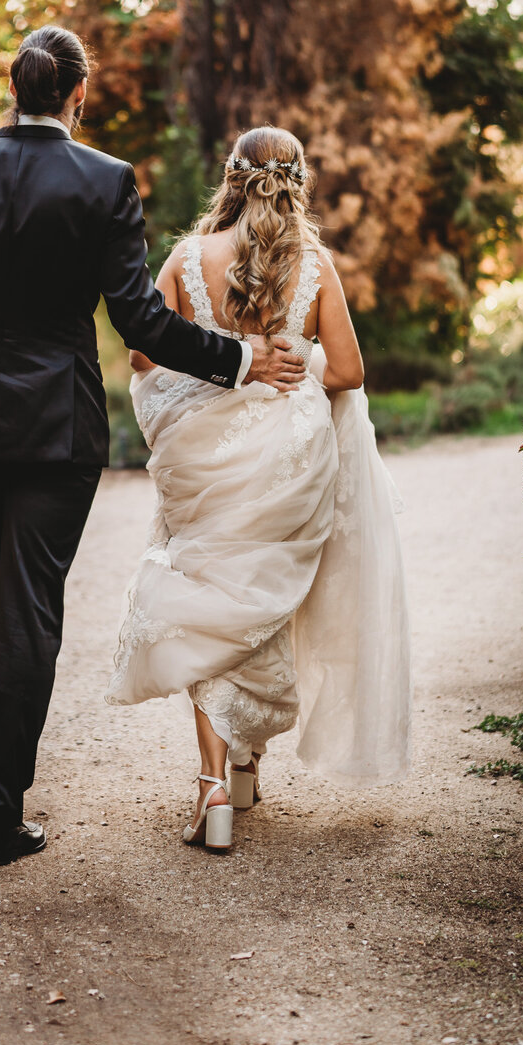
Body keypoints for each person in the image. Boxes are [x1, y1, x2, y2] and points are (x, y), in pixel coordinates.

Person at [0, 29, 308, 867]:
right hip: (55, 429)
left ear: (13, 89)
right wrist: (243, 357)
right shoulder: (105, 180)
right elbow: (141, 320)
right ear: (79, 96)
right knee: (29, 608)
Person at [107, 125, 410, 851]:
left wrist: (218, 368)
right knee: (258, 602)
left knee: (209, 598)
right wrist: (291, 360)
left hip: (202, 457)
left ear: (231, 178)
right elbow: (347, 372)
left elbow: (144, 350)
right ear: (299, 181)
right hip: (288, 461)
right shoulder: (316, 266)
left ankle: (217, 785)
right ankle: (243, 766)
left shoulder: (187, 256)